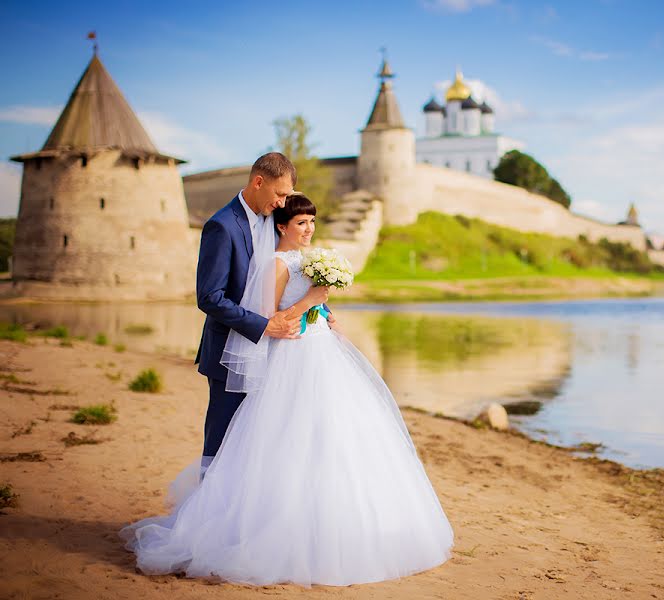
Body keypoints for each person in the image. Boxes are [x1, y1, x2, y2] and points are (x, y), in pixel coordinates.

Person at [120, 193, 454, 587]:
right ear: (282, 226)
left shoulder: (309, 261)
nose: (309, 229)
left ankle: (335, 522)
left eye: (312, 222)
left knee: (335, 438)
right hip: (292, 359)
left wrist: (325, 313)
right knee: (289, 440)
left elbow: (313, 307)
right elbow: (272, 318)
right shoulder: (276, 264)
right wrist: (312, 299)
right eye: (300, 223)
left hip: (321, 352)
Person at [193, 152, 329, 477]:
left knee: (255, 444)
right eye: (280, 194)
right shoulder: (221, 226)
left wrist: (322, 306)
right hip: (230, 352)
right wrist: (264, 326)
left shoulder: (273, 217)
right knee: (222, 442)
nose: (284, 201)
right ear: (258, 182)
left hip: (274, 357)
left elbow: (294, 267)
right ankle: (202, 517)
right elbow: (210, 297)